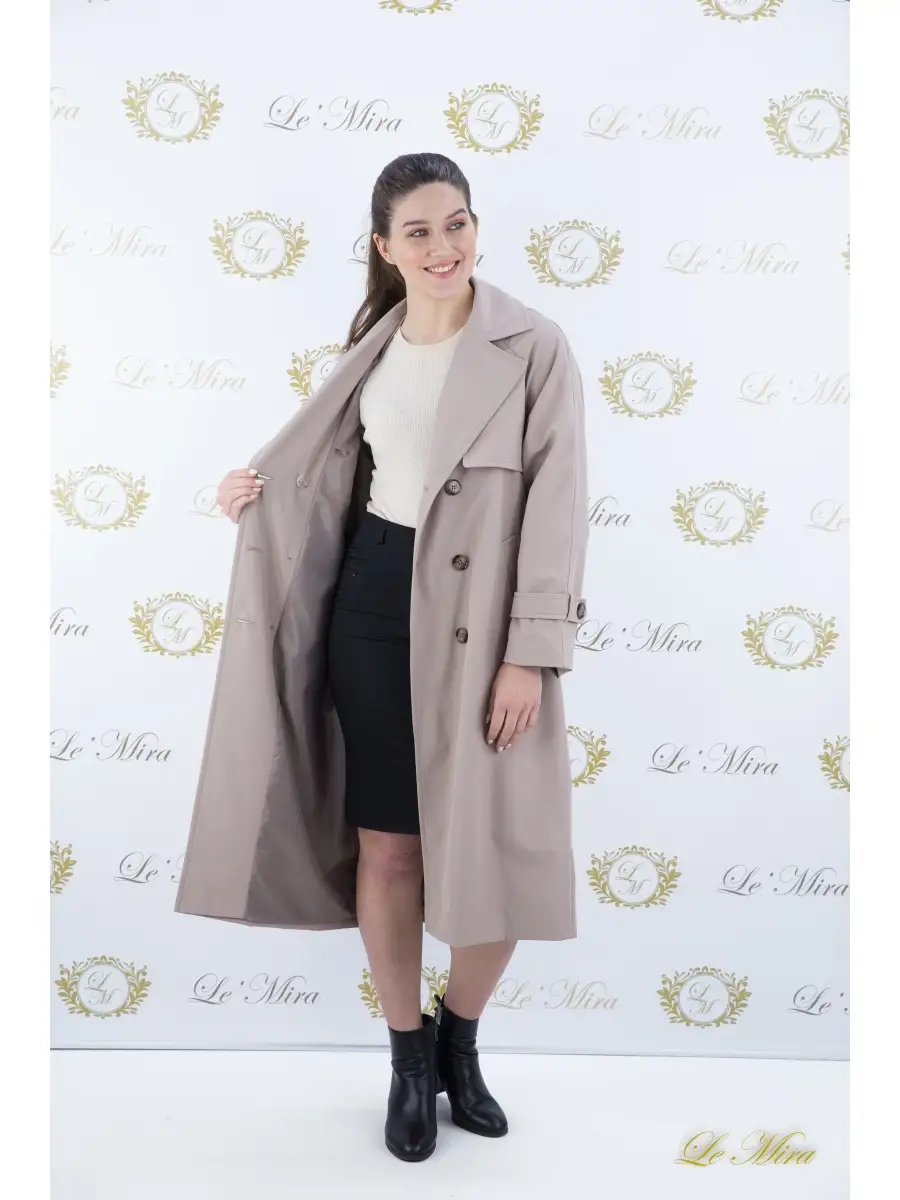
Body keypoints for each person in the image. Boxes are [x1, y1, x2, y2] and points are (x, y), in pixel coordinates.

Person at [195, 152, 589, 1163]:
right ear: (384, 247)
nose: (442, 246)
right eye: (418, 232)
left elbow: (557, 510)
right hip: (372, 605)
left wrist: (530, 656)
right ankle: (409, 1059)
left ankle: (462, 1039)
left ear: (476, 227)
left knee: (497, 846)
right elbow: (323, 477)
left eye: (456, 224)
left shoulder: (534, 347)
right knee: (391, 846)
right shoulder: (368, 349)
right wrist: (248, 494)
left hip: (485, 627)